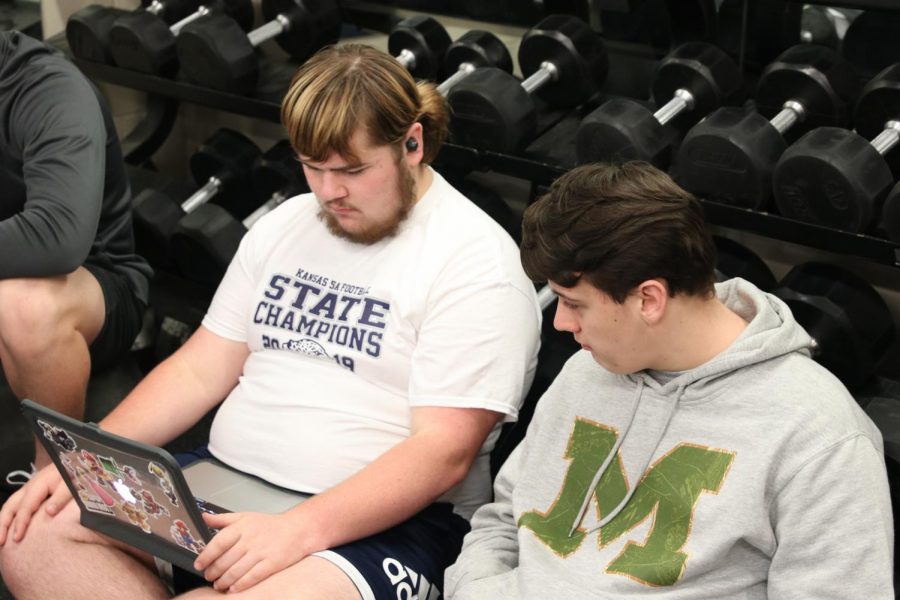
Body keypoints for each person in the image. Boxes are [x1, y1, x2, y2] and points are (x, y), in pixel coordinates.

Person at [0, 43, 540, 599]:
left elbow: (442, 453)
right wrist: (89, 460)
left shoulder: (476, 264)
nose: (330, 192)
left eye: (353, 170)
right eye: (313, 168)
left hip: (385, 528)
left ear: (412, 143)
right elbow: (199, 370)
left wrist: (294, 533)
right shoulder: (285, 224)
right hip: (222, 482)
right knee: (32, 533)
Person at [444, 161, 894, 598]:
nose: (561, 322)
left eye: (575, 304)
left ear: (649, 299)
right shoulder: (587, 369)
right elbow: (504, 518)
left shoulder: (822, 437)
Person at [0, 31, 151, 483]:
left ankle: (57, 481)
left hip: (93, 288)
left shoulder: (48, 89)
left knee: (24, 306)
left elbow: (57, 237)